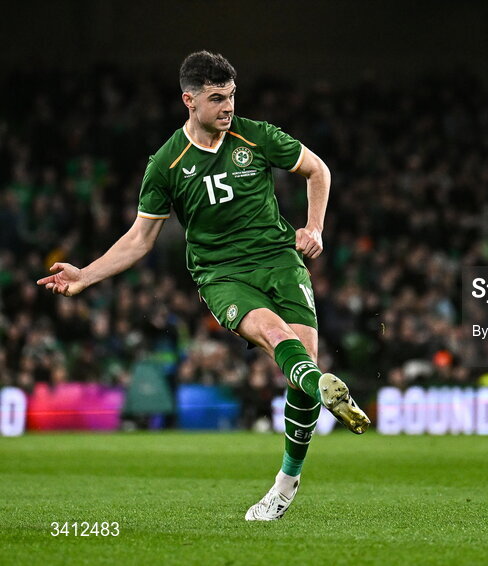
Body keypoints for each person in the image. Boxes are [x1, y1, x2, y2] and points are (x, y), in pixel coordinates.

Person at [36, 51, 369, 521]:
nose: (228, 106)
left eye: (232, 95)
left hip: (279, 261)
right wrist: (85, 275)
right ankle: (324, 387)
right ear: (189, 100)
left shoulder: (255, 136)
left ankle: (285, 484)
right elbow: (139, 239)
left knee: (302, 369)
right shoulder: (167, 165)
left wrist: (314, 228)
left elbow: (318, 169)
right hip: (222, 275)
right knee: (279, 338)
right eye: (217, 98)